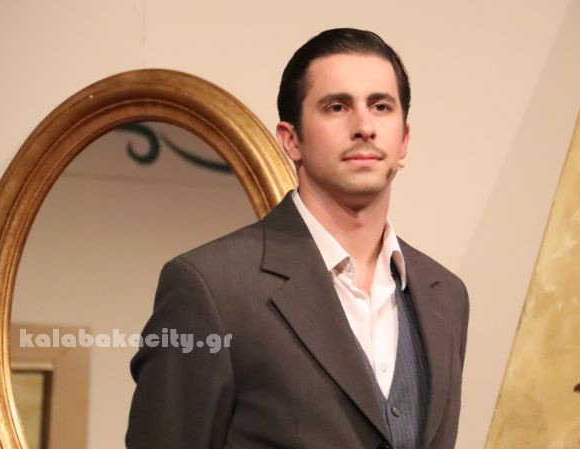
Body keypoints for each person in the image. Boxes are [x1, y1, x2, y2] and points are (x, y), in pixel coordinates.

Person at [126, 28, 469, 449]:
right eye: (337, 107)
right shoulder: (211, 287)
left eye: (380, 106)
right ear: (291, 140)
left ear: (404, 140)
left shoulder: (446, 296)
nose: (364, 127)